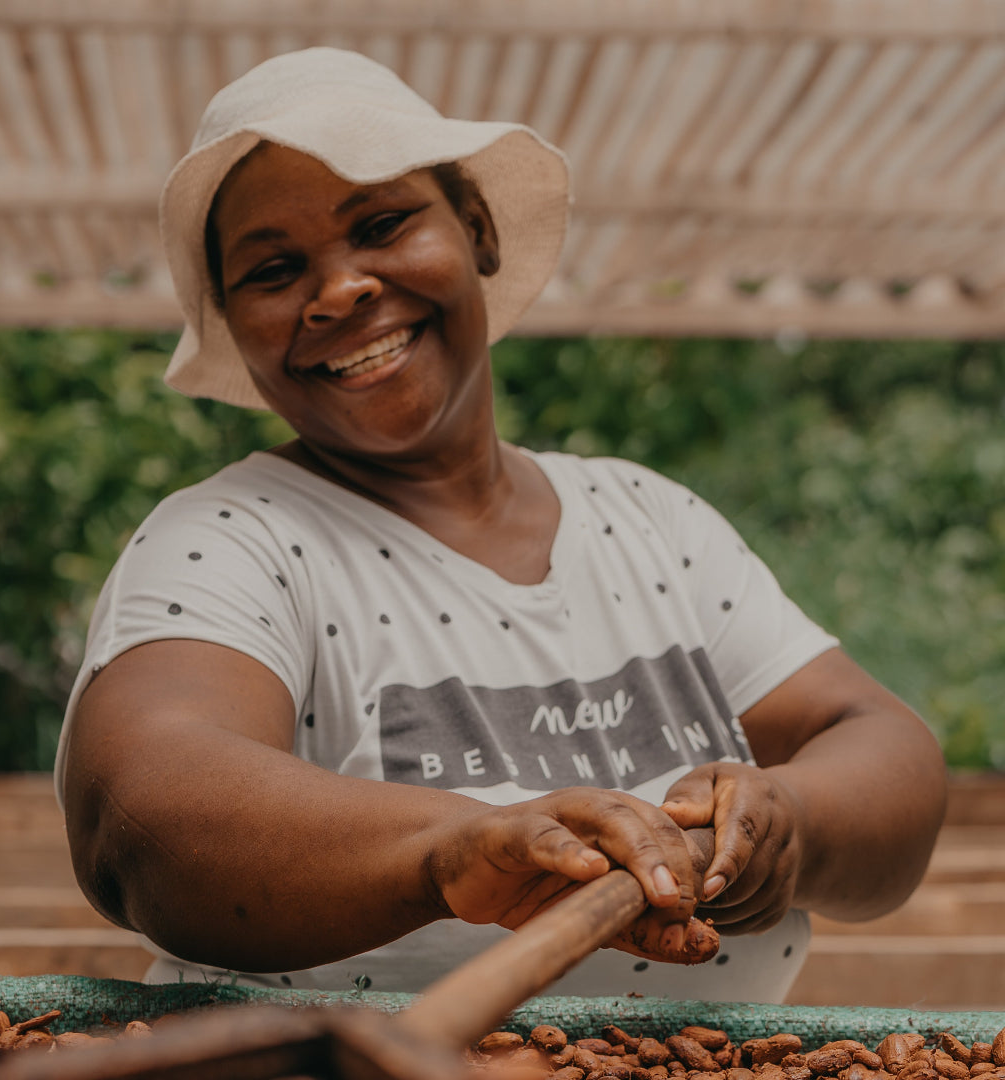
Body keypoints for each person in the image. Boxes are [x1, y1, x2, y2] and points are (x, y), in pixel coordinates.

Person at [56, 47, 946, 1003]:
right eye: (275, 270)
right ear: (234, 322)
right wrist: (451, 850)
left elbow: (879, 740)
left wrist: (793, 825)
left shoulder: (649, 522)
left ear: (476, 231)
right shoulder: (233, 541)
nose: (342, 289)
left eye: (384, 223)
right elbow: (140, 807)